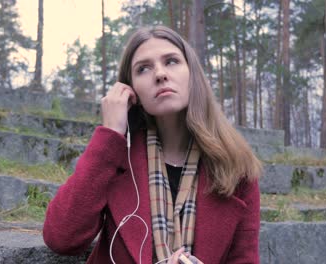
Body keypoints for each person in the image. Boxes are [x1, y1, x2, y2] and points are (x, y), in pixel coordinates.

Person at [43, 25, 262, 264]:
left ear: (193, 75)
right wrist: (110, 134)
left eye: (171, 61)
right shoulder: (116, 156)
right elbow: (61, 238)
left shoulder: (234, 165)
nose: (159, 74)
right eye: (143, 68)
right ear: (131, 90)